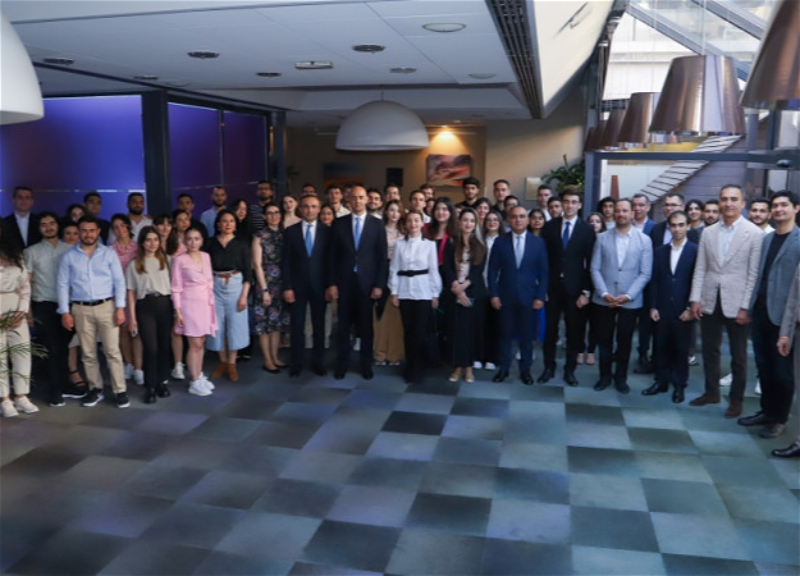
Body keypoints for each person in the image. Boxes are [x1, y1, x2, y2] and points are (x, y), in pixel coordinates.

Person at [689, 184, 763, 418]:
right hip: (710, 299)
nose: (728, 203)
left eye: (733, 199)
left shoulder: (754, 233)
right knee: (709, 350)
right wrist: (695, 298)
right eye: (724, 199)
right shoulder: (708, 232)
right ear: (719, 202)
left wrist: (746, 306)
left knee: (738, 356)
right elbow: (701, 267)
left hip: (738, 302)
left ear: (743, 204)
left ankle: (736, 400)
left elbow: (753, 274)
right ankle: (711, 392)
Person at [739, 192, 800, 438]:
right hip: (761, 312)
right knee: (764, 366)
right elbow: (758, 275)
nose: (778, 209)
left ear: (796, 208)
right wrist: (749, 306)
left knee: (782, 373)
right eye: (775, 205)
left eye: (784, 205)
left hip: (785, 317)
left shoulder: (798, 240)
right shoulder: (767, 239)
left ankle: (779, 418)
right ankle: (766, 411)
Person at [57, 214, 128, 408]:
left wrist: (120, 308)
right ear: (79, 232)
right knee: (88, 353)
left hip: (106, 306)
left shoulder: (108, 254)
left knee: (112, 351)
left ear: (98, 231)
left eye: (91, 230)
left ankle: (120, 390)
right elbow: (62, 285)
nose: (88, 234)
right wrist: (65, 312)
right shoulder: (69, 256)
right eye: (84, 230)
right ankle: (95, 388)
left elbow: (119, 282)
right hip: (80, 308)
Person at [590, 198, 653, 394]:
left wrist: (628, 295)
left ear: (632, 213)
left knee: (625, 341)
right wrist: (604, 292)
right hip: (604, 299)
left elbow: (645, 273)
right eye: (617, 211)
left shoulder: (644, 240)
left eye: (625, 210)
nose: (621, 214)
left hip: (630, 301)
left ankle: (621, 378)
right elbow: (594, 268)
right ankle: (604, 376)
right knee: (604, 340)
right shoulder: (602, 238)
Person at [328, 186, 388, 380]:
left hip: (367, 284)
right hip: (344, 283)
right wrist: (332, 284)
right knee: (343, 327)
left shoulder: (377, 224)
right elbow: (332, 257)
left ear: (367, 200)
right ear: (349, 200)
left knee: (366, 328)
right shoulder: (339, 223)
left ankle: (365, 365)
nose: (357, 201)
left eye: (361, 197)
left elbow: (381, 258)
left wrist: (379, 285)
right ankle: (342, 364)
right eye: (354, 198)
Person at [539, 188, 596, 387]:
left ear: (579, 205)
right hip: (552, 289)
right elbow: (543, 260)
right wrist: (542, 288)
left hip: (576, 290)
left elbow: (591, 263)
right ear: (561, 204)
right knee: (550, 331)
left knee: (574, 332)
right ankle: (548, 367)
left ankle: (570, 370)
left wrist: (586, 292)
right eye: (566, 201)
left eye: (573, 202)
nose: (569, 205)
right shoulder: (549, 227)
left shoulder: (587, 230)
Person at [487, 205, 548, 384]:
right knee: (504, 335)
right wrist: (494, 294)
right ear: (508, 220)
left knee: (527, 337)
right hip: (505, 296)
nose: (518, 220)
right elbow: (492, 270)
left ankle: (525, 370)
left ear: (527, 220)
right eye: (514, 217)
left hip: (529, 297)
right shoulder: (500, 241)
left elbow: (544, 272)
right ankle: (503, 369)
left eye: (522, 216)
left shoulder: (538, 242)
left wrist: (540, 296)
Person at [645, 210, 698, 403]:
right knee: (660, 346)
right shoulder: (660, 251)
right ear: (669, 227)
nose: (677, 229)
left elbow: (697, 281)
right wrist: (653, 306)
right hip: (662, 306)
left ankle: (680, 385)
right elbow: (655, 280)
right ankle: (661, 381)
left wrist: (690, 307)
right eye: (673, 225)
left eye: (681, 225)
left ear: (688, 226)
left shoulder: (695, 251)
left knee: (681, 349)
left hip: (684, 309)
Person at [24, 212, 76, 406]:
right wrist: (29, 312)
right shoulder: (31, 252)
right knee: (52, 348)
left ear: (57, 225)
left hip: (68, 305)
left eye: (52, 223)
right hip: (44, 304)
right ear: (39, 228)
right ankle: (55, 390)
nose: (48, 227)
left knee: (64, 347)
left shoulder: (70, 249)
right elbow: (27, 284)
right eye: (43, 224)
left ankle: (64, 384)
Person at [389, 211, 441, 384]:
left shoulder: (429, 245)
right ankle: (410, 365)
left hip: (423, 291)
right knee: (408, 332)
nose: (413, 224)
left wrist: (435, 293)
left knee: (420, 332)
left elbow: (433, 270)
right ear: (406, 224)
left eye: (416, 220)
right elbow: (394, 269)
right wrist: (394, 292)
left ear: (422, 223)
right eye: (410, 221)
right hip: (404, 291)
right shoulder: (399, 245)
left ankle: (419, 367)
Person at [283, 195, 332, 377]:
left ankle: (318, 362)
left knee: (319, 326)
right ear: (300, 209)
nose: (309, 210)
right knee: (297, 326)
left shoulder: (328, 232)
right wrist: (287, 287)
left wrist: (331, 285)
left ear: (318, 209)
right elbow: (285, 262)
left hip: (320, 286)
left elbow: (331, 262)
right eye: (306, 206)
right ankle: (297, 363)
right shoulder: (291, 231)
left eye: (313, 206)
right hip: (297, 287)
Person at [126, 227, 173, 404]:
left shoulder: (167, 260)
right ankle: (150, 385)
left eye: (155, 239)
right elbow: (131, 292)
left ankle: (162, 382)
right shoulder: (134, 264)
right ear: (142, 243)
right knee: (150, 348)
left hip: (164, 304)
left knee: (164, 345)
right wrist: (132, 318)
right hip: (145, 306)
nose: (152, 243)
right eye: (148, 240)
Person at [204, 210, 251, 381]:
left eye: (231, 221)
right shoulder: (209, 243)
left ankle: (232, 363)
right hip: (215, 285)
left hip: (236, 284)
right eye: (224, 221)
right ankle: (222, 361)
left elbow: (248, 272)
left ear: (236, 224)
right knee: (218, 325)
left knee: (235, 325)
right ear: (218, 224)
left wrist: (244, 295)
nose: (228, 224)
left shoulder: (242, 244)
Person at [172, 227, 218, 396]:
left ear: (202, 240)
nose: (193, 242)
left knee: (202, 342)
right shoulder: (179, 260)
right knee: (194, 344)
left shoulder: (206, 256)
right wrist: (178, 311)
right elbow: (175, 287)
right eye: (189, 238)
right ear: (184, 241)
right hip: (189, 305)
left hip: (205, 304)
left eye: (196, 238)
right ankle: (194, 380)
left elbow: (210, 280)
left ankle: (198, 375)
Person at [443, 207, 487, 383]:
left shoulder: (481, 246)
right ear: (459, 222)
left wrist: (464, 288)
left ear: (476, 224)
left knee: (470, 332)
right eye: (465, 220)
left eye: (472, 221)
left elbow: (477, 272)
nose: (468, 224)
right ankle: (457, 367)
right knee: (457, 331)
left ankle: (469, 368)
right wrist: (456, 286)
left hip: (473, 292)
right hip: (454, 292)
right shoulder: (451, 244)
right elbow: (447, 268)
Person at [0, 234, 38, 417]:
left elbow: (25, 287)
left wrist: (21, 311)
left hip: (16, 307)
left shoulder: (15, 255)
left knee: (22, 352)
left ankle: (22, 396)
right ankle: (4, 399)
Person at [252, 203, 289, 373]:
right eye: (269, 213)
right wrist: (264, 289)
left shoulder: (284, 234)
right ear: (264, 216)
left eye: (276, 212)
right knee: (264, 324)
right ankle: (267, 360)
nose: (274, 216)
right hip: (265, 283)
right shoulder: (259, 236)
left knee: (276, 323)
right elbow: (257, 265)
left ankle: (275, 357)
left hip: (282, 283)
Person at [110, 214, 143, 386]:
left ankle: (138, 368)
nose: (120, 230)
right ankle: (128, 364)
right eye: (116, 227)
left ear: (128, 227)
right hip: (117, 295)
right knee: (122, 331)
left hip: (136, 294)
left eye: (123, 225)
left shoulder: (138, 247)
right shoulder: (109, 250)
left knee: (136, 331)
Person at [374, 200, 405, 367]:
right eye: (391, 210)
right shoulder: (378, 229)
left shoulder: (404, 231)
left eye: (397, 210)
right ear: (386, 211)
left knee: (395, 315)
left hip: (399, 274)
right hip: (381, 271)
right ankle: (380, 353)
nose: (394, 214)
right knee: (380, 314)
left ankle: (394, 354)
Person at [480, 211, 503, 371]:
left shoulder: (505, 241)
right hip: (481, 285)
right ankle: (479, 356)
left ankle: (492, 358)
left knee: (496, 324)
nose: (492, 222)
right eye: (489, 220)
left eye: (495, 220)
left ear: (500, 222)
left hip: (499, 287)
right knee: (481, 323)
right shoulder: (479, 240)